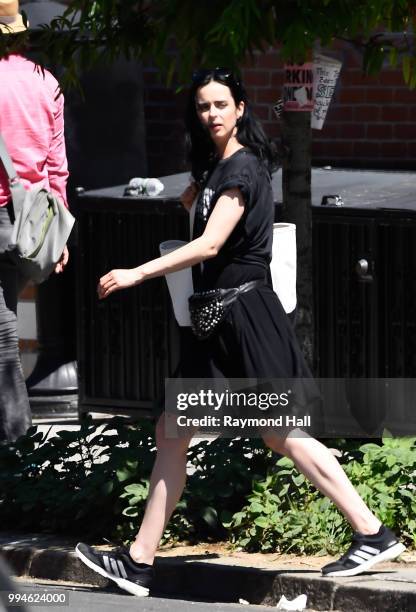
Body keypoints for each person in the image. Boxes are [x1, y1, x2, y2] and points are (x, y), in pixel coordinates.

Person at [75, 68, 405, 597]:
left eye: (221, 105)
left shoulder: (242, 168)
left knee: (282, 431)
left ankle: (373, 532)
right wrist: (193, 203)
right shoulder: (218, 171)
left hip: (246, 320)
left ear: (241, 108)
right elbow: (214, 239)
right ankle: (138, 561)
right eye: (203, 106)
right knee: (173, 429)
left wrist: (137, 273)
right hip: (219, 323)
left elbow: (210, 247)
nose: (211, 115)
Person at [0, 0, 69, 442]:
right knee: (4, 320)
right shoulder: (47, 83)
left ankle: (16, 435)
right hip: (30, 223)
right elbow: (57, 165)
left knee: (5, 333)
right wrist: (59, 234)